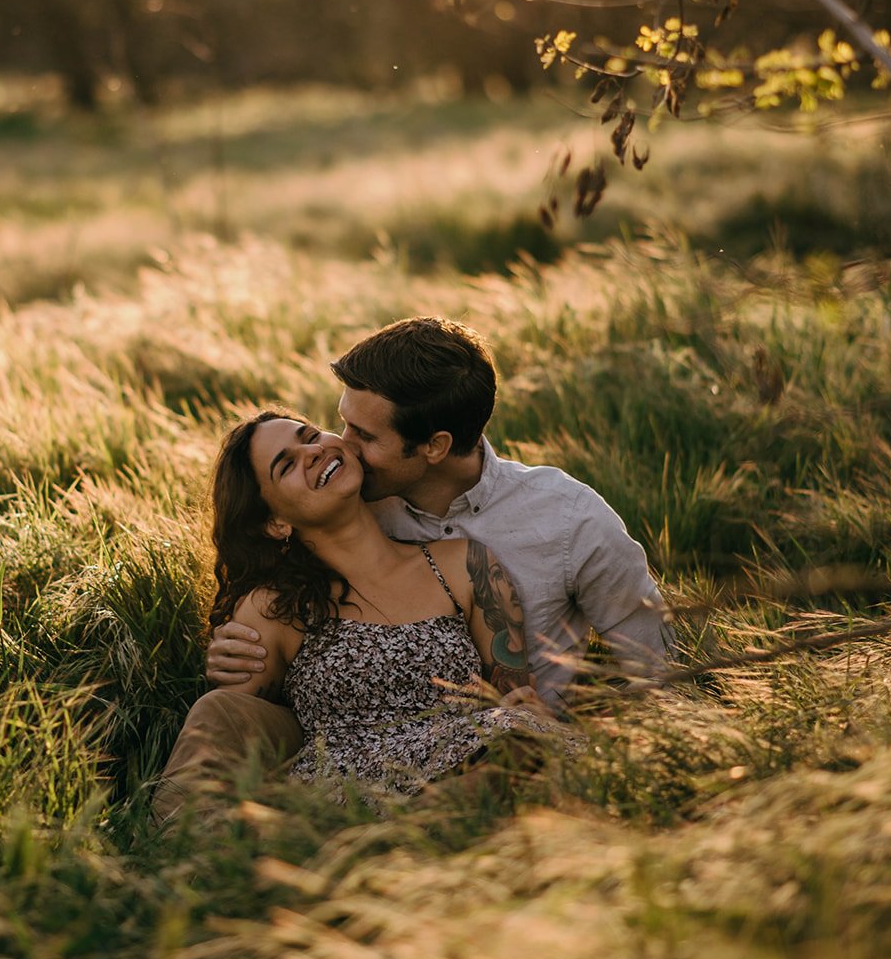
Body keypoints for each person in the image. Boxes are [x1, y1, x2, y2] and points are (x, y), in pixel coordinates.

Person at [153, 319, 670, 822]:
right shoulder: (341, 505)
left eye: (362, 434)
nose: (337, 445)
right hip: (344, 761)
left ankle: (395, 840)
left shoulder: (561, 524)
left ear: (434, 447)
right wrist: (230, 656)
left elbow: (654, 663)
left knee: (515, 747)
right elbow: (242, 713)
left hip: (489, 753)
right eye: (340, 424)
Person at [153, 408, 554, 820]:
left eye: (310, 436)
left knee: (523, 739)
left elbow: (514, 697)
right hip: (349, 794)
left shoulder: (464, 563)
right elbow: (234, 730)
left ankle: (428, 827)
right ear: (275, 523)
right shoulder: (275, 607)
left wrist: (521, 716)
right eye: (286, 465)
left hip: (469, 759)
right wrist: (220, 662)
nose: (311, 452)